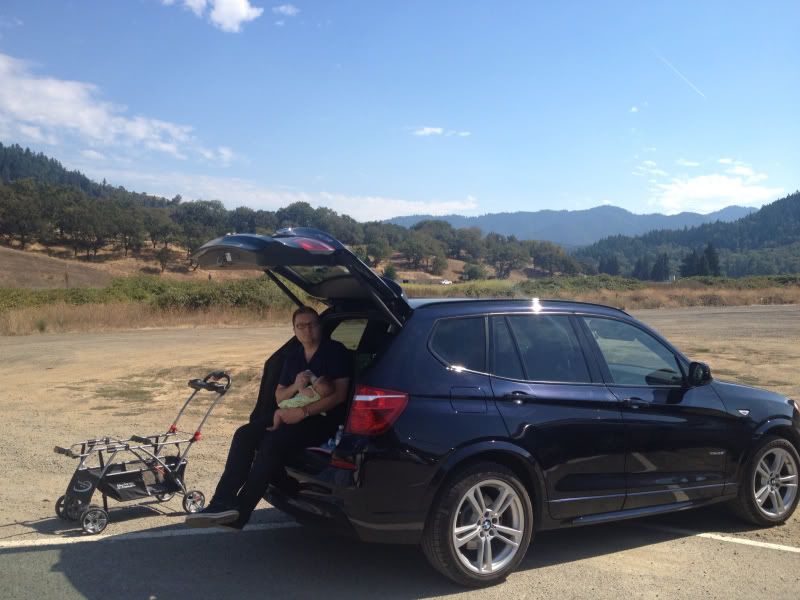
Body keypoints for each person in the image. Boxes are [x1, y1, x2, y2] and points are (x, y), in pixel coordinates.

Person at [185, 306, 351, 529]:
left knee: (272, 443)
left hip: (322, 418)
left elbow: (339, 395)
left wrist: (302, 412)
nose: (306, 330)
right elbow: (280, 395)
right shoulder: (294, 357)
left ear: (320, 326)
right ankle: (221, 502)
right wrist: (295, 386)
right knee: (244, 434)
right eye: (300, 326)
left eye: (311, 324)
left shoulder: (335, 351)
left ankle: (240, 513)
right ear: (294, 330)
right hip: (289, 412)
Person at [267, 374, 334, 430]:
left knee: (277, 413)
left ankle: (275, 426)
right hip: (302, 410)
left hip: (294, 405)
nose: (315, 379)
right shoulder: (320, 398)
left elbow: (301, 391)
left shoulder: (311, 391)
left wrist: (299, 384)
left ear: (316, 385)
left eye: (317, 380)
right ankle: (281, 422)